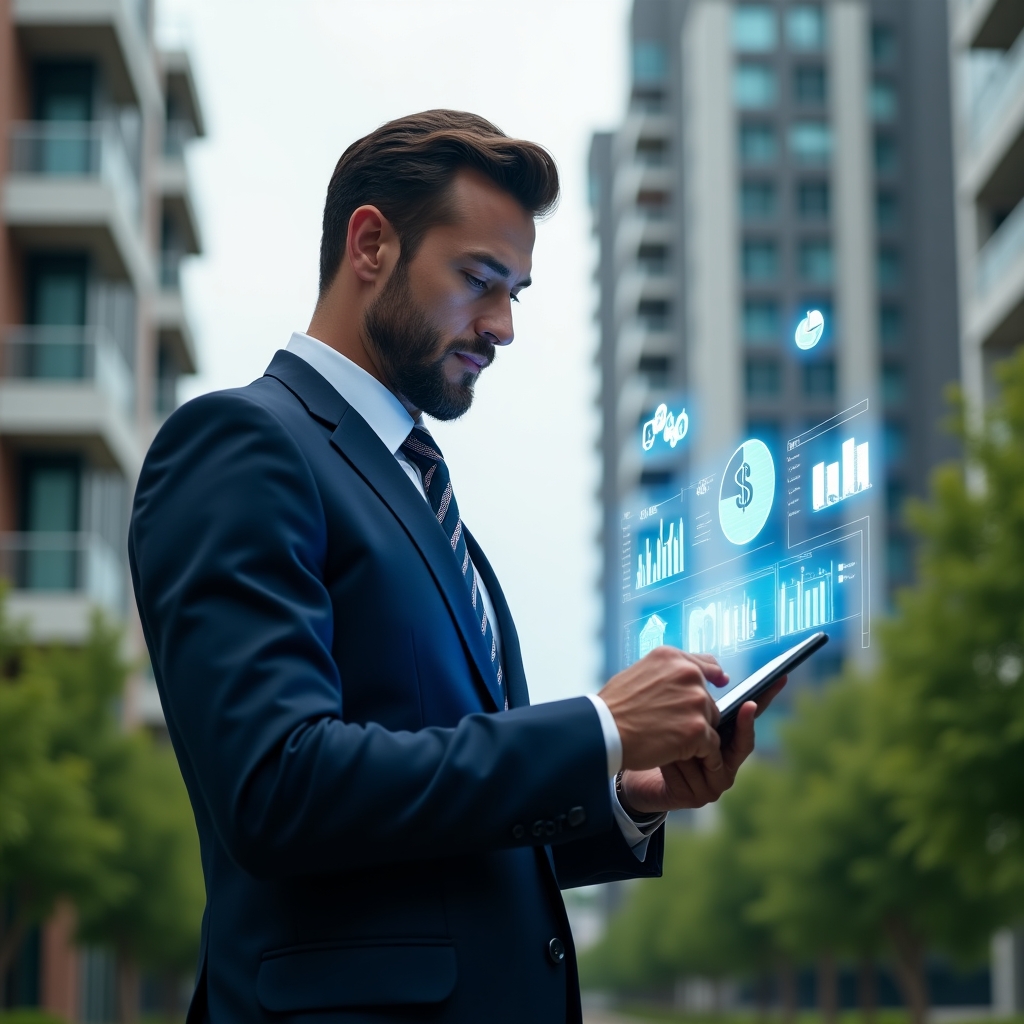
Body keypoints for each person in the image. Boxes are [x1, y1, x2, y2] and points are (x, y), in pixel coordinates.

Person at [129, 110, 784, 1024]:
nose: (504, 326)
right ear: (371, 244)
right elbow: (278, 787)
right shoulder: (242, 444)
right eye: (480, 280)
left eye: (516, 290)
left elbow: (447, 836)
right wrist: (594, 727)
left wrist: (623, 795)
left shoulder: (430, 502)